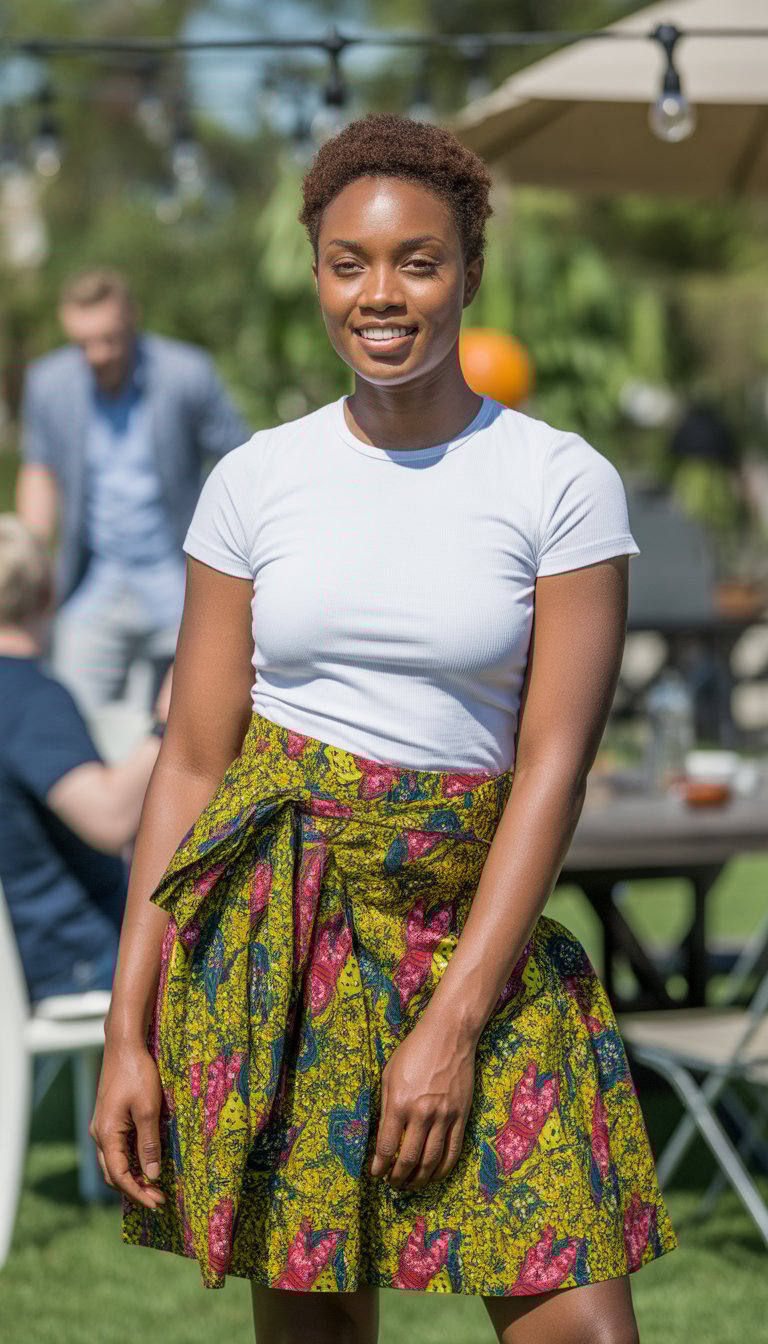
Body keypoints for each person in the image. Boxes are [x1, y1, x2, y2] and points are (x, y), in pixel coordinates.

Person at [91, 115, 676, 1344]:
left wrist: (456, 1022)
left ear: (469, 271)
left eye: (418, 259)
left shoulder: (558, 481)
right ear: (317, 273)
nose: (381, 293)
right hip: (276, 944)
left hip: (482, 944)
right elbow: (195, 764)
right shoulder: (256, 479)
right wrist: (125, 1031)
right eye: (350, 262)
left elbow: (552, 769)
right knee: (316, 1332)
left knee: (583, 1328)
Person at [15, 267, 249, 715]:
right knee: (70, 715)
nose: (98, 354)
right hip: (94, 585)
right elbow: (39, 472)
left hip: (178, 581)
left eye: (109, 339)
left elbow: (239, 459)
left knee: (194, 718)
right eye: (83, 343)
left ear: (131, 320)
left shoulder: (186, 373)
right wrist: (33, 562)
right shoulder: (48, 383)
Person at [0, 514, 170, 1003]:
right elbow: (110, 818)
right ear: (49, 592)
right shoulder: (32, 700)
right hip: (71, 955)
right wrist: (166, 723)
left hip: (28, 945)